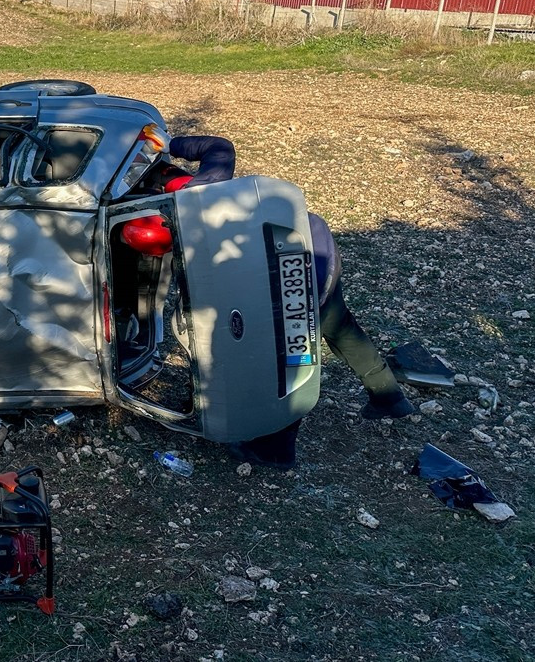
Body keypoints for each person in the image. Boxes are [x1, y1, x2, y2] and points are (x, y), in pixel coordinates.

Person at [159, 135, 415, 469]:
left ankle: (274, 451)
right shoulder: (213, 183)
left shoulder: (191, 202)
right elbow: (219, 147)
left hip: (287, 276)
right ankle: (388, 396)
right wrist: (168, 142)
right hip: (312, 245)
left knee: (288, 360)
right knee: (339, 326)